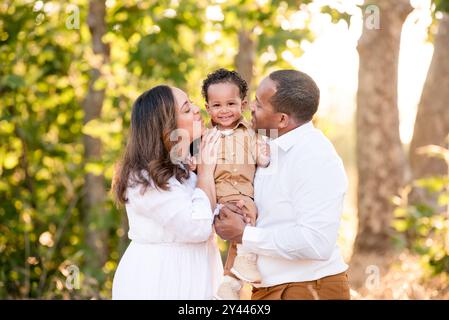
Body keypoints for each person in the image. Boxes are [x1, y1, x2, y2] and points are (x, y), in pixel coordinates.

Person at [214, 70, 351, 300]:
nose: (251, 109)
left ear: (282, 119)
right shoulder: (266, 145)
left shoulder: (314, 156)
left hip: (309, 289)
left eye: (259, 104)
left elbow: (317, 242)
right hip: (269, 289)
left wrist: (245, 235)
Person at [111, 85, 223, 299]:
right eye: (187, 109)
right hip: (160, 280)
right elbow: (197, 227)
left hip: (199, 276)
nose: (198, 109)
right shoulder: (142, 177)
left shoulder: (188, 166)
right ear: (167, 126)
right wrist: (206, 173)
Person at [201, 69, 270, 300]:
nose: (224, 110)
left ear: (242, 104)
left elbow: (262, 159)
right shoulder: (205, 137)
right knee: (242, 222)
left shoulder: (251, 133)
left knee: (249, 217)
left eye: (231, 103)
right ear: (208, 108)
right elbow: (195, 164)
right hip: (219, 198)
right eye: (217, 105)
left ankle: (230, 283)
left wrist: (263, 154)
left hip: (245, 195)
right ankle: (241, 266)